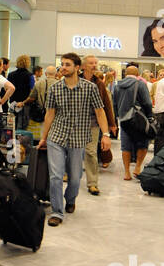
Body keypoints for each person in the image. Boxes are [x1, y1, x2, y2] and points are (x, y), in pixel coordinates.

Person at [37, 53, 109, 225]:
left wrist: (105, 134)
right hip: (57, 137)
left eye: (67, 64)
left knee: (75, 178)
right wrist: (44, 137)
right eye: (62, 64)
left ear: (78, 67)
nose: (63, 67)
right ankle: (57, 211)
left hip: (78, 139)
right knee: (56, 176)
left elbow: (100, 111)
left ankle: (70, 199)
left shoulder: (90, 88)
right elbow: (49, 114)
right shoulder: (55, 88)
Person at [112, 64, 153, 180]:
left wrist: (117, 117)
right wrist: (150, 116)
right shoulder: (140, 84)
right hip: (139, 119)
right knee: (143, 143)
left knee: (125, 146)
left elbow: (114, 104)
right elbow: (147, 102)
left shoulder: (117, 86)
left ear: (125, 74)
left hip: (124, 120)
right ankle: (138, 167)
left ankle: (126, 173)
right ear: (138, 75)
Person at [81, 55, 116, 189]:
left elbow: (106, 105)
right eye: (91, 63)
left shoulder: (99, 83)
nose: (94, 65)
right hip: (74, 122)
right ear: (83, 66)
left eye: (95, 63)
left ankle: (92, 183)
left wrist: (111, 124)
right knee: (72, 151)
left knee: (91, 152)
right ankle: (67, 173)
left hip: (93, 123)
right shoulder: (75, 80)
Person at [7, 55, 35, 133]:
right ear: (27, 63)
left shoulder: (10, 74)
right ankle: (20, 143)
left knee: (12, 125)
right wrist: (23, 102)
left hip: (13, 103)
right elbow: (32, 91)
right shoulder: (30, 76)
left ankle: (11, 142)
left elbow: (6, 89)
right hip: (24, 104)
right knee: (23, 126)